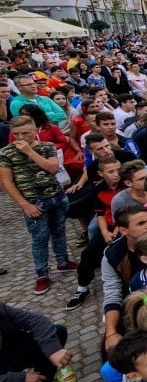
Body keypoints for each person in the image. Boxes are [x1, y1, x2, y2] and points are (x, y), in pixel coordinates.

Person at [0, 116, 75, 295]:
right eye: (16, 134)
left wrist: (30, 152)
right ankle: (42, 274)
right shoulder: (5, 153)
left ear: (35, 131)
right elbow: (7, 182)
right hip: (33, 201)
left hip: (55, 196)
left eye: (25, 133)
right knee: (39, 239)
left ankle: (63, 261)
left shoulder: (46, 146)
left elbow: (52, 168)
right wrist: (24, 204)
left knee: (59, 230)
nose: (21, 137)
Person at [0, 302, 70, 382]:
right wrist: (18, 379)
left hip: (8, 357)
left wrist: (53, 350)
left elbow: (34, 320)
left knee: (58, 332)